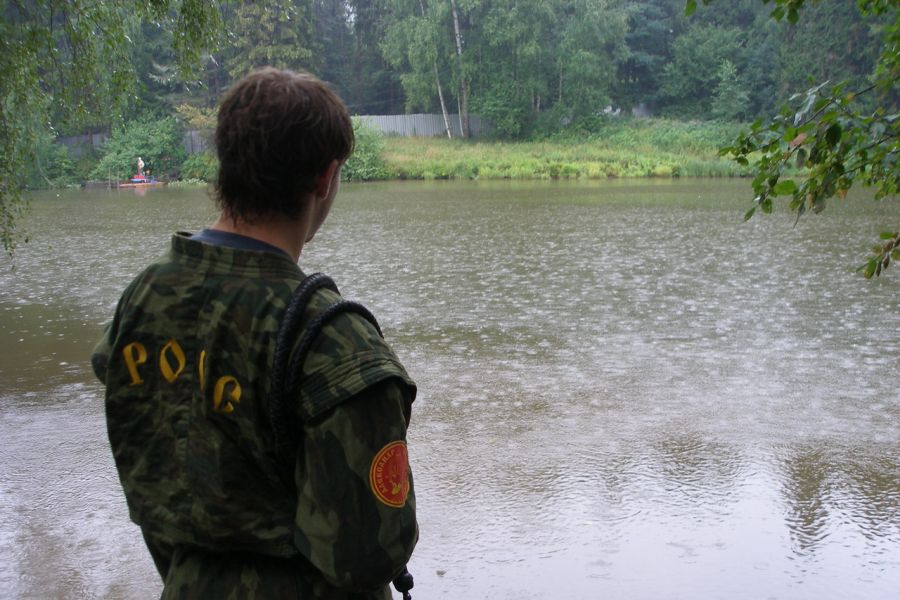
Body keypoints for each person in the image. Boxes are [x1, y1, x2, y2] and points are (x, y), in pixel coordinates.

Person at [91, 67, 418, 599]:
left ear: (228, 165)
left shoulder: (145, 296)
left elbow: (149, 475)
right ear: (324, 177)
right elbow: (368, 554)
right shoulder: (334, 340)